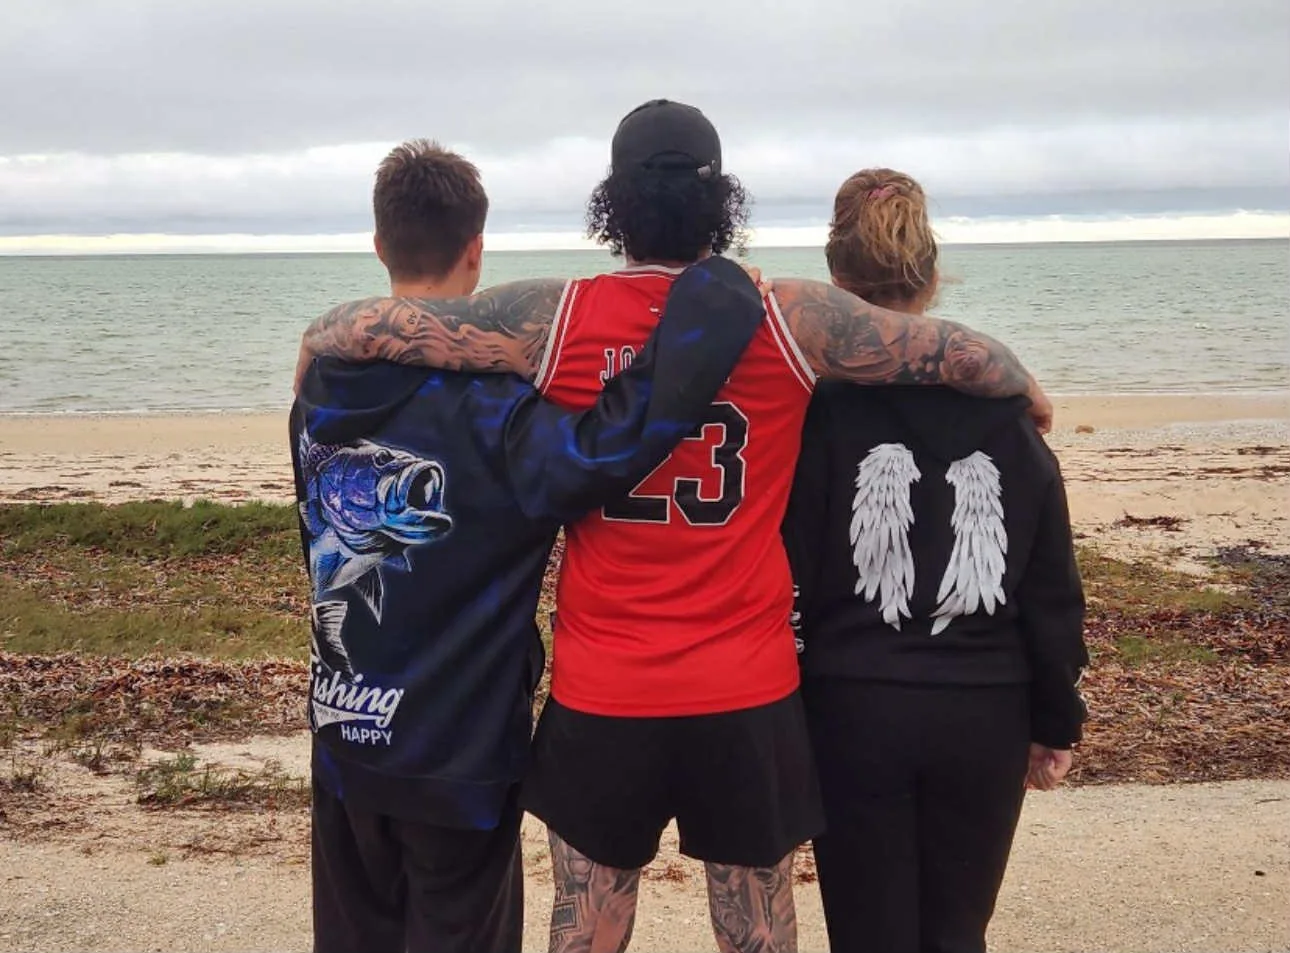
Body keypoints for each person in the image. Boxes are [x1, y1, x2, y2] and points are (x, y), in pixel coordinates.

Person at [293, 101, 1049, 953]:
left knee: (587, 926)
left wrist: (319, 337)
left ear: (613, 203)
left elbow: (401, 330)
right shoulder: (788, 316)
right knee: (756, 928)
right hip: (745, 682)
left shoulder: (554, 317)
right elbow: (949, 351)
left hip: (606, 682)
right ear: (722, 201)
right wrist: (1019, 383)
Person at [294, 139, 770, 953]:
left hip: (344, 734)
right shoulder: (498, 409)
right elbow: (613, 446)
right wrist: (714, 305)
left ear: (379, 244)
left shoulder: (319, 387)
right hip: (458, 752)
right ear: (476, 251)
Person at [782, 168, 1090, 953]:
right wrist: (1055, 718)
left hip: (854, 705)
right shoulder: (1011, 418)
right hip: (985, 710)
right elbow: (1051, 591)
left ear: (837, 277)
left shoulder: (816, 414)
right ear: (931, 273)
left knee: (867, 935)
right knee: (957, 932)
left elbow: (795, 572)